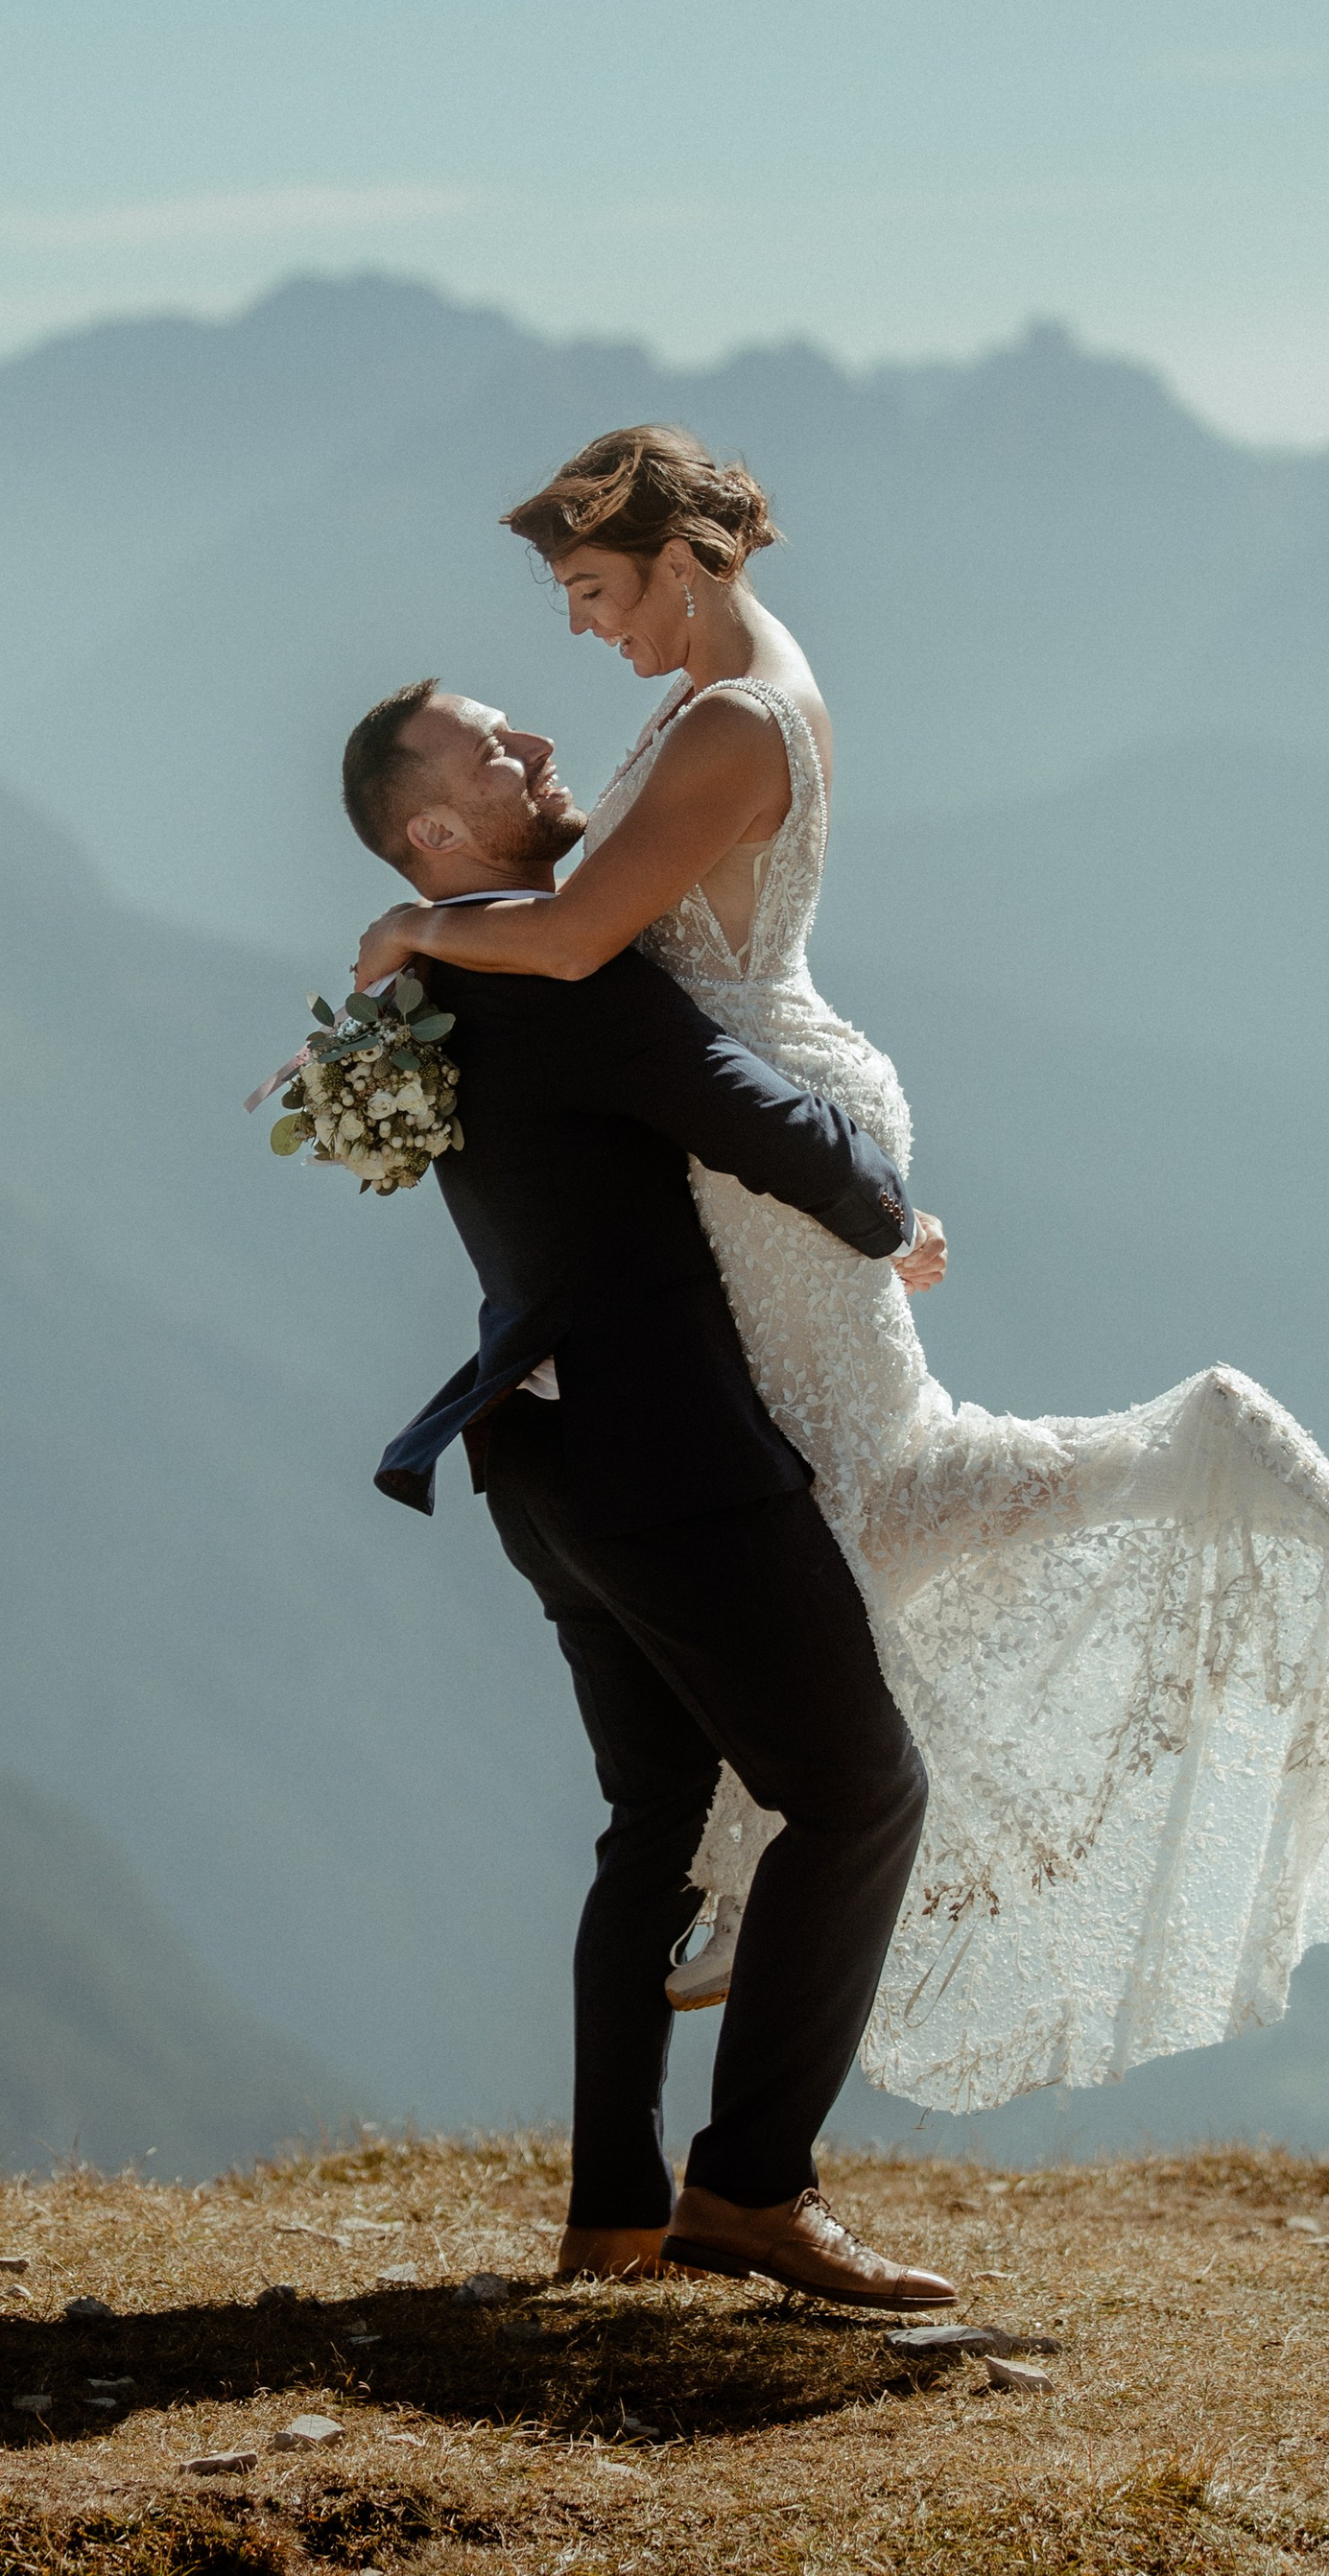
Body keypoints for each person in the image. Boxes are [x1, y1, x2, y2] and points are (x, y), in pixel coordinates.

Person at [350, 429, 1329, 2117]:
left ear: (678, 557)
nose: (585, 633)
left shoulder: (734, 717)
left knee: (855, 1483)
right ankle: (768, 1860)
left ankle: (1185, 1456)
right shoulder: (725, 692)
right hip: (759, 1109)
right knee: (818, 1485)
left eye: (597, 592)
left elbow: (570, 937)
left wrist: (416, 933)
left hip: (758, 1117)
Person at [344, 678, 958, 2305]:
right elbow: (742, 1111)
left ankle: (611, 2212)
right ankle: (751, 2190)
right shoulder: (554, 969)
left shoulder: (439, 980)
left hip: (534, 1456)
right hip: (661, 1452)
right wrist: (888, 1209)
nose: (537, 747)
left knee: (656, 1823)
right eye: (496, 750)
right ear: (435, 828)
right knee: (860, 1792)